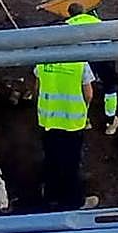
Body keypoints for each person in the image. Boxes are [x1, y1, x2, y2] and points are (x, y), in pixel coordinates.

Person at [34, 33, 99, 211]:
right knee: (70, 163)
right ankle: (73, 201)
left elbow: (38, 86)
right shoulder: (79, 62)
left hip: (48, 120)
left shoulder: (43, 60)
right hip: (72, 122)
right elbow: (89, 94)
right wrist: (84, 110)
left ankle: (50, 197)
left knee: (51, 159)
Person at [66, 3, 118, 135]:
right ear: (85, 11)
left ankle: (85, 120)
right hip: (104, 55)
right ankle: (110, 122)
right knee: (110, 86)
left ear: (70, 13)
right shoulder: (98, 21)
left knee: (83, 87)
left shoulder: (67, 25)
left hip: (83, 57)